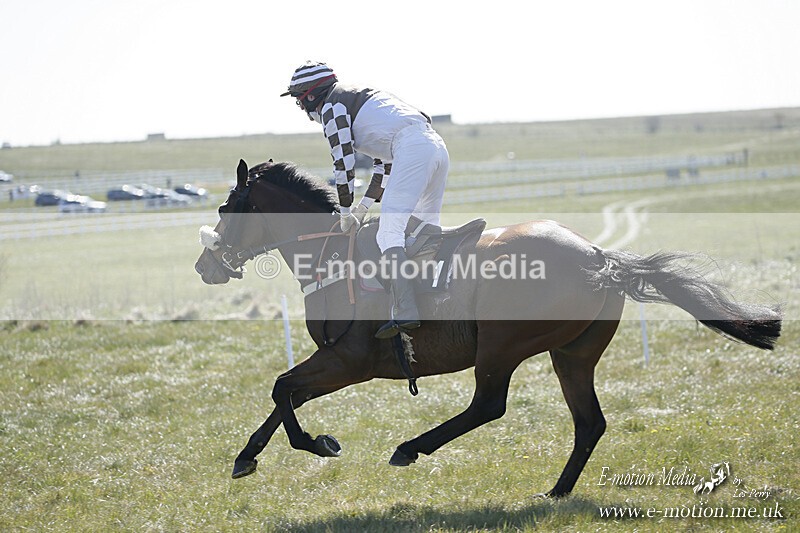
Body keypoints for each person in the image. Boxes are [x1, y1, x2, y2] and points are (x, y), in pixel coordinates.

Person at [281, 61, 450, 339]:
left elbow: (343, 163)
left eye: (300, 101)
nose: (302, 108)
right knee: (425, 228)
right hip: (435, 147)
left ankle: (405, 310)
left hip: (413, 149)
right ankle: (437, 297)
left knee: (389, 233)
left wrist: (345, 209)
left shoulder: (332, 107)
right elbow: (383, 167)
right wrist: (364, 207)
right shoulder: (360, 101)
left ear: (311, 95)